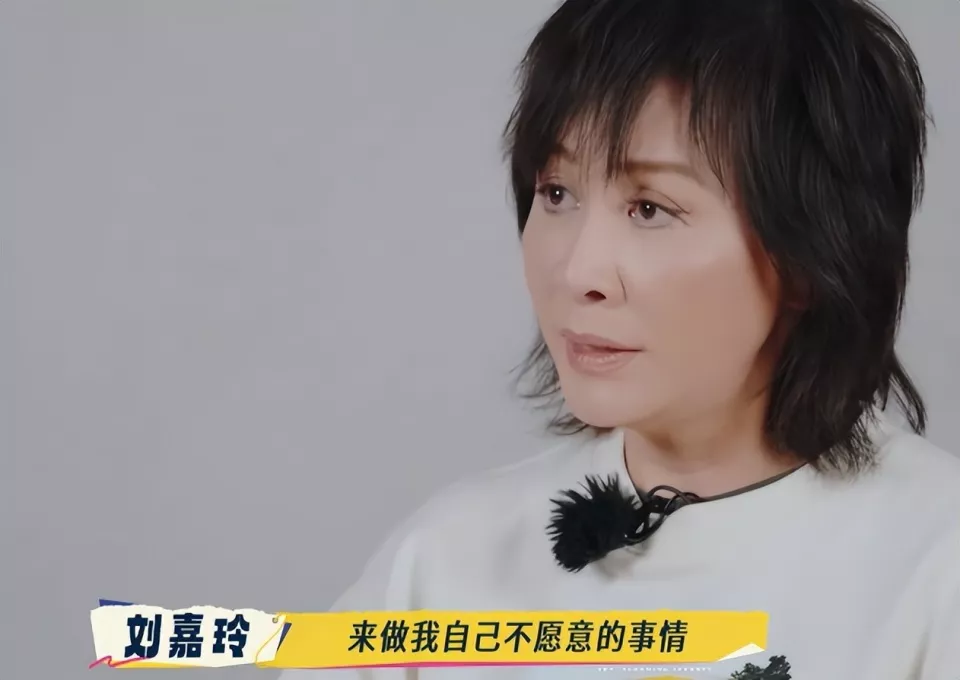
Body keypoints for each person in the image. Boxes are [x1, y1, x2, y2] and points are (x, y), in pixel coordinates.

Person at [282, 0, 960, 677]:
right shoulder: (448, 559)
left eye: (649, 209)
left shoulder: (934, 563)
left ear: (814, 252)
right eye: (556, 193)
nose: (578, 272)